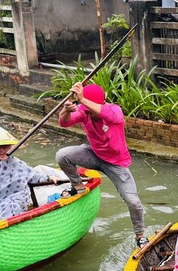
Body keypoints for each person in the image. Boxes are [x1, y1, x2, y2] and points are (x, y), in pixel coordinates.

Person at [56, 82, 147, 247]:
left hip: (116, 163)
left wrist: (83, 99)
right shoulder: (85, 112)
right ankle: (78, 185)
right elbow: (64, 122)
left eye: (89, 108)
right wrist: (65, 110)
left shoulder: (114, 110)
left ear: (100, 104)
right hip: (94, 154)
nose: (87, 113)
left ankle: (140, 235)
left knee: (133, 201)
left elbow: (114, 118)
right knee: (62, 155)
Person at [0, 127, 62, 226]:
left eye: (6, 146)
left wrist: (49, 178)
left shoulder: (18, 163)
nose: (2, 150)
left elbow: (34, 175)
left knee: (11, 206)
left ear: (11, 147)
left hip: (11, 203)